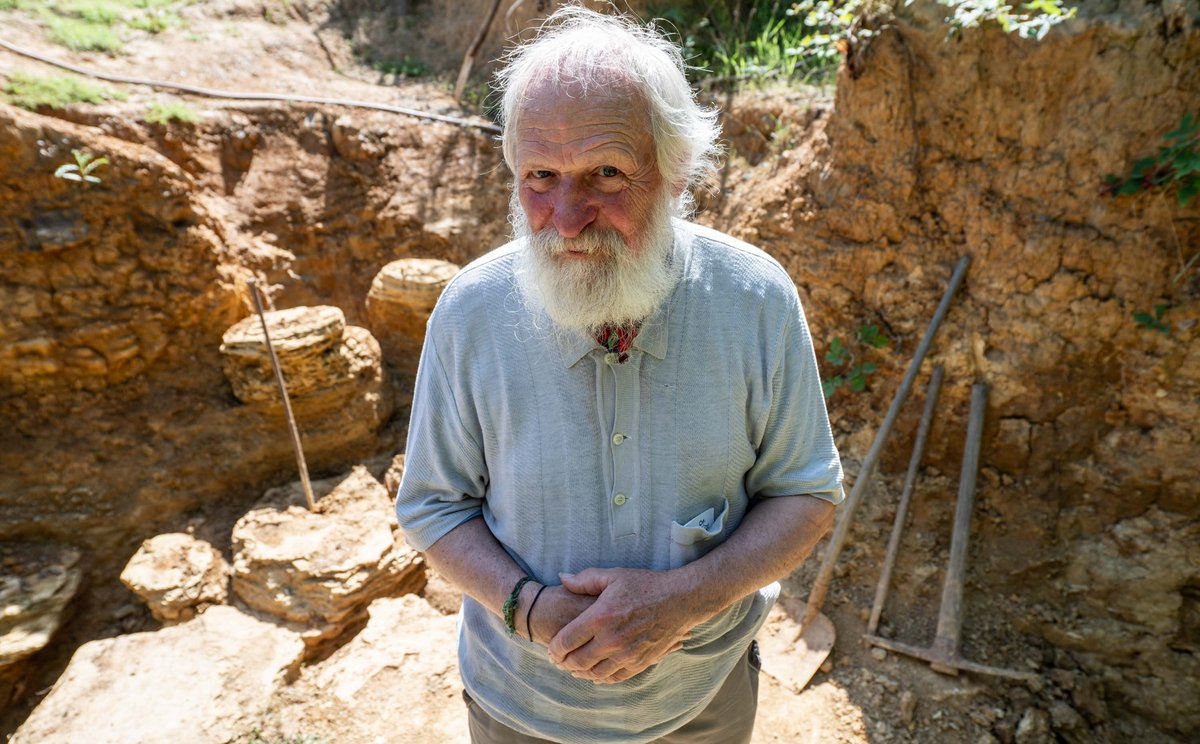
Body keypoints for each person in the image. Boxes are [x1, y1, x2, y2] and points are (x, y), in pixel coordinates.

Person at [394, 6, 844, 743]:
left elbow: (806, 491)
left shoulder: (754, 299)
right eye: (540, 176)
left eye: (606, 173)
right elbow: (434, 506)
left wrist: (684, 601)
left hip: (704, 700)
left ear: (674, 171)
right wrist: (530, 610)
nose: (567, 216)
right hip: (520, 709)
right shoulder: (471, 312)